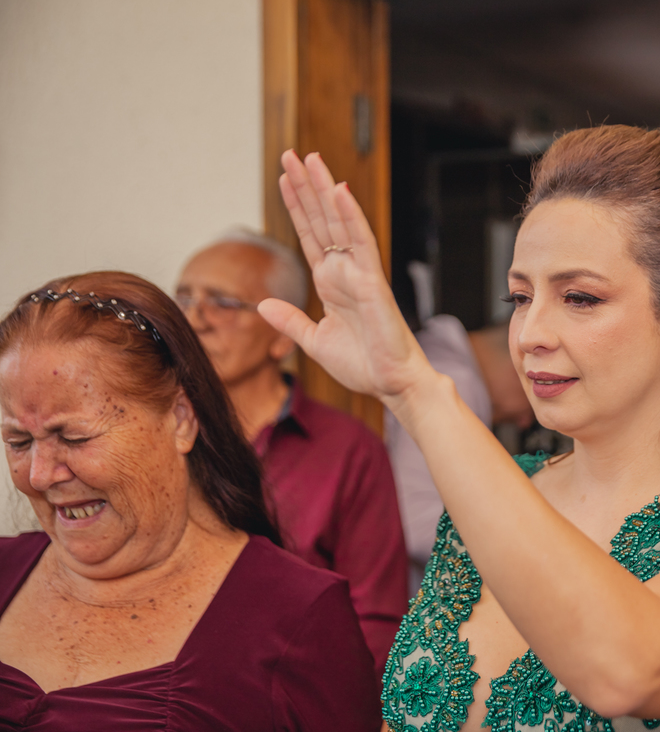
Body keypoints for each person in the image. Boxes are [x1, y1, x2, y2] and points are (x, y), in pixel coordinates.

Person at [263, 126, 660, 732]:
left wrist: (416, 390)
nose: (531, 333)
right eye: (520, 296)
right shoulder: (488, 503)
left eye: (581, 298)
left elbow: (629, 670)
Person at [0, 271, 380, 730]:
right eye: (18, 441)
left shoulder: (298, 617)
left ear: (180, 419)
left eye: (74, 437)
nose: (40, 475)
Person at [176, 231, 407, 675]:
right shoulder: (155, 433)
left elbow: (375, 618)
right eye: (184, 299)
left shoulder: (347, 448)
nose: (194, 318)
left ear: (282, 338)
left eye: (221, 302)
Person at [386, 319, 535, 593]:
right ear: (523, 364)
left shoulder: (437, 359)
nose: (525, 420)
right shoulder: (451, 382)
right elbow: (415, 519)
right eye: (537, 394)